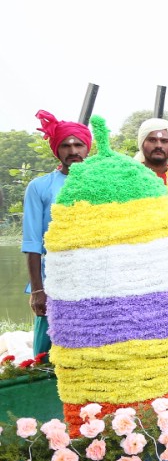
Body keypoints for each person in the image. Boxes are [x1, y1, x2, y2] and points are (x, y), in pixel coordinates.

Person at [23, 110, 92, 356]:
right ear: (57, 150)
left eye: (78, 144)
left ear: (88, 148)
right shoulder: (40, 187)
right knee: (50, 349)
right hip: (55, 280)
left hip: (96, 280)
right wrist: (38, 291)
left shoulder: (101, 184)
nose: (73, 150)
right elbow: (32, 242)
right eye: (65, 145)